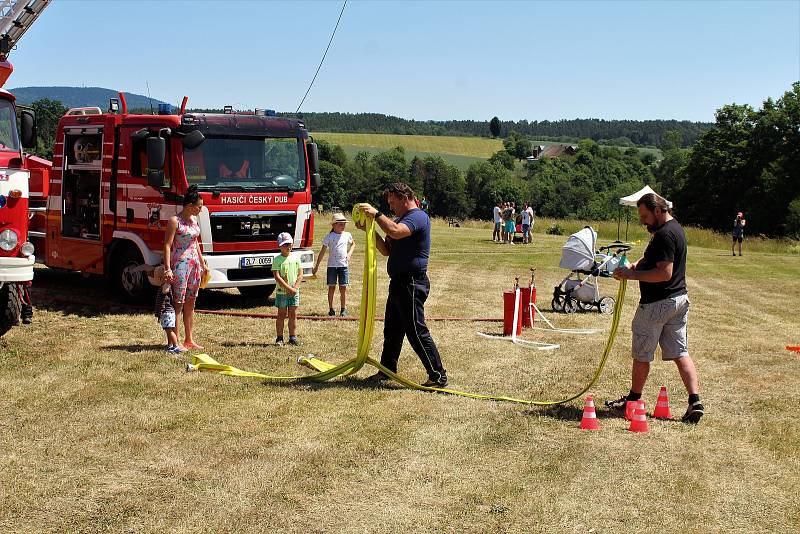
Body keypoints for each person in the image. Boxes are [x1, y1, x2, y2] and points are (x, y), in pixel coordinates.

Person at [608, 193, 704, 424]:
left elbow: (664, 272)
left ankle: (633, 400)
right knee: (681, 352)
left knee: (642, 353)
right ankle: (695, 401)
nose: (643, 221)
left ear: (658, 211)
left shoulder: (664, 235)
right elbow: (652, 258)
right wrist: (635, 264)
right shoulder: (674, 229)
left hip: (657, 304)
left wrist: (632, 274)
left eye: (645, 216)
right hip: (679, 301)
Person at [356, 182, 448, 388]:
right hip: (398, 282)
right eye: (387, 204)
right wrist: (369, 230)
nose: (391, 207)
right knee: (392, 330)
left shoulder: (417, 217)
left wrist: (377, 215)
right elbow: (387, 249)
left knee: (415, 330)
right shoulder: (399, 219)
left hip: (412, 282)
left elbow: (396, 232)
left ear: (404, 198)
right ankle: (387, 371)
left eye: (392, 202)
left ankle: (438, 375)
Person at [164, 185, 208, 350]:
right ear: (190, 205)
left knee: (191, 301)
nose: (201, 210)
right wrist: (168, 268)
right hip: (180, 265)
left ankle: (189, 339)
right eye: (199, 206)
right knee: (178, 302)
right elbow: (167, 246)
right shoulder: (175, 221)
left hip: (194, 265)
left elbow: (195, 242)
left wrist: (203, 263)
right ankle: (176, 341)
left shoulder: (194, 221)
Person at [313, 213, 355, 317]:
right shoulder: (329, 236)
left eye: (344, 224)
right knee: (331, 288)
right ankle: (331, 309)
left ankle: (343, 309)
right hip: (331, 266)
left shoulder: (347, 235)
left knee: (343, 288)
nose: (343, 226)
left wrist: (349, 253)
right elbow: (322, 252)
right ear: (334, 225)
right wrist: (316, 266)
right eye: (340, 224)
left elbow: (354, 244)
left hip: (343, 266)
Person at [273, 231, 303, 346]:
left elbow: (300, 274)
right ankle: (279, 338)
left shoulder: (296, 258)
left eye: (290, 244)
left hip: (294, 292)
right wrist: (287, 288)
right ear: (280, 246)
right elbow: (277, 276)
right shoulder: (277, 260)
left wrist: (295, 288)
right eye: (285, 244)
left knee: (293, 314)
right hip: (282, 293)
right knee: (281, 314)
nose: (288, 246)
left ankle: (293, 337)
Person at [155, 280, 181, 353]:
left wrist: (166, 282)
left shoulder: (166, 285)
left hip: (167, 312)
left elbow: (165, 291)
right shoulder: (166, 285)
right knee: (168, 330)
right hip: (168, 312)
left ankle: (176, 346)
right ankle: (170, 345)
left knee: (169, 331)